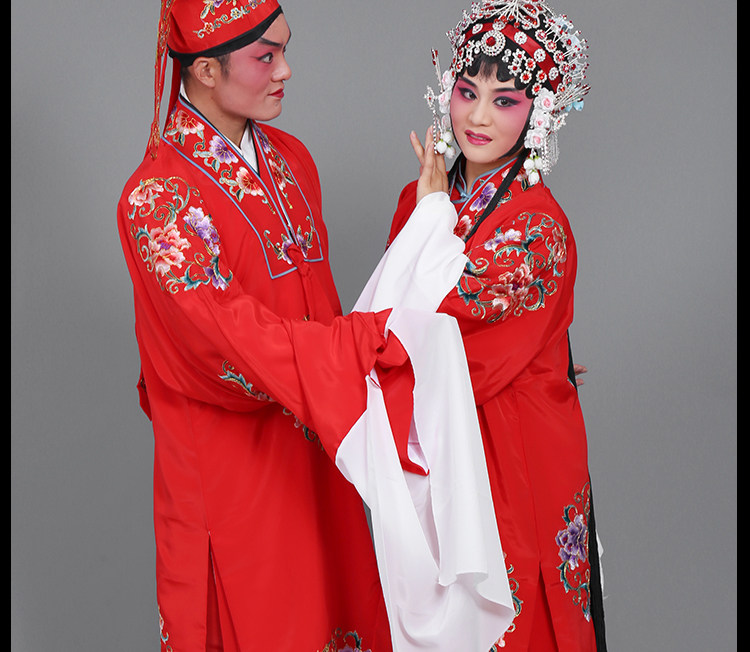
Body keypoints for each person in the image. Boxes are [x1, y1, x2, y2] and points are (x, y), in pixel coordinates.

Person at [117, 1, 516, 650]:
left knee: (340, 607)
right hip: (233, 469)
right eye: (265, 57)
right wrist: (355, 348)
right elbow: (222, 342)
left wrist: (421, 251)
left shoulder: (290, 160)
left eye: (285, 50)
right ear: (207, 71)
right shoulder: (158, 198)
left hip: (320, 446)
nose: (286, 71)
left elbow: (328, 310)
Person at [389, 1, 607, 650]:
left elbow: (443, 331)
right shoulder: (423, 197)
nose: (478, 116)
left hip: (516, 446)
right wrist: (431, 213)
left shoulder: (538, 228)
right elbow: (394, 320)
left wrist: (431, 221)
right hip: (442, 442)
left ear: (540, 113)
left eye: (505, 100)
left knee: (519, 609)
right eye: (467, 92)